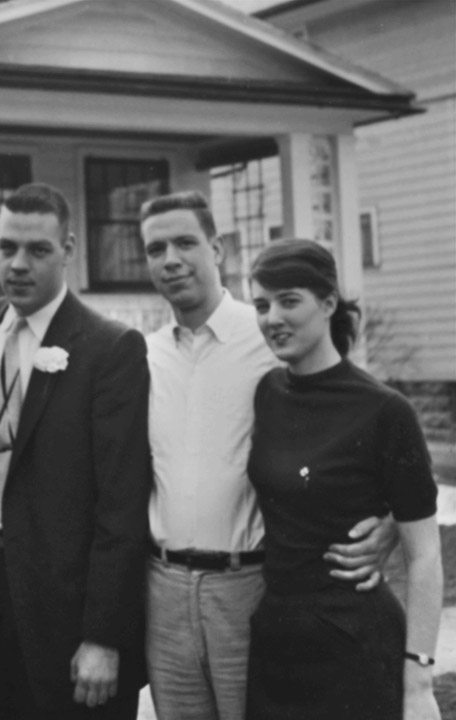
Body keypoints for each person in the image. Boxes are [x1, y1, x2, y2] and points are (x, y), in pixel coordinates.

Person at [140, 190, 395, 720]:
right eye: (155, 248)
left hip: (248, 586)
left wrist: (390, 517)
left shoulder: (270, 336)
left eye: (186, 242)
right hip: (163, 591)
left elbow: (359, 414)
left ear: (218, 249)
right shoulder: (144, 355)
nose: (170, 259)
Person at [0, 183, 151, 719]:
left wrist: (103, 637)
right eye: (6, 247)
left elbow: (122, 505)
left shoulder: (110, 348)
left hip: (65, 615)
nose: (18, 264)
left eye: (38, 250)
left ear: (68, 249)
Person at [246, 239, 441, 720]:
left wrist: (417, 681)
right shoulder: (267, 393)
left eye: (289, 300)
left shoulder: (384, 410)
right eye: (262, 304)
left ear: (329, 303)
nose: (273, 317)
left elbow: (426, 555)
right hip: (277, 643)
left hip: (355, 642)